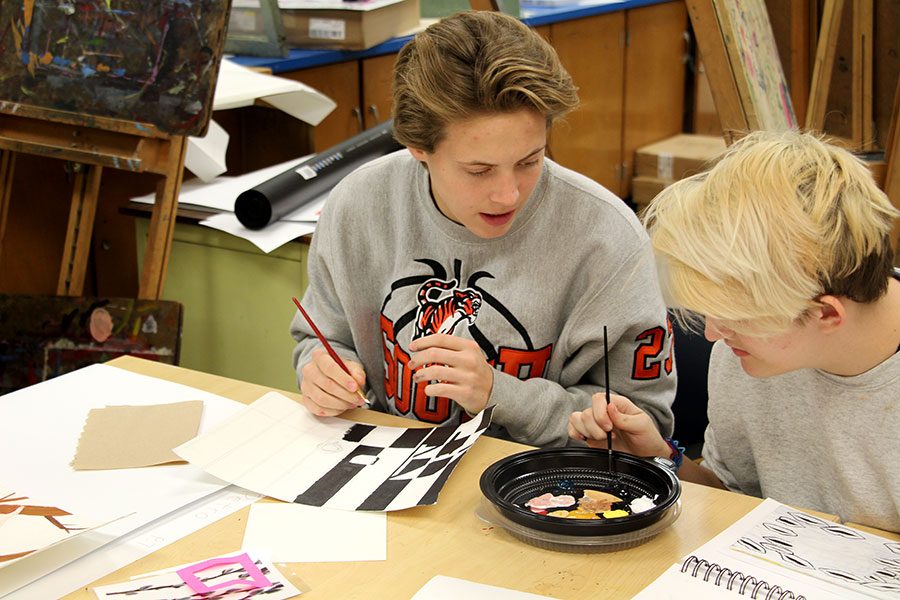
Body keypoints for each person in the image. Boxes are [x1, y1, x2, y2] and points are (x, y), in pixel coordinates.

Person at [291, 11, 676, 447]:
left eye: (530, 161)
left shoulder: (608, 239)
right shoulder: (358, 204)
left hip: (545, 487)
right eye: (479, 170)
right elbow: (319, 336)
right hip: (385, 466)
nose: (509, 195)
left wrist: (500, 393)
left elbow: (644, 425)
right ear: (418, 149)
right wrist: (322, 366)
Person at [568, 129, 900, 532]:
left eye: (735, 317)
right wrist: (658, 456)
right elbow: (732, 496)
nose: (711, 335)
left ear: (826, 315)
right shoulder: (747, 353)